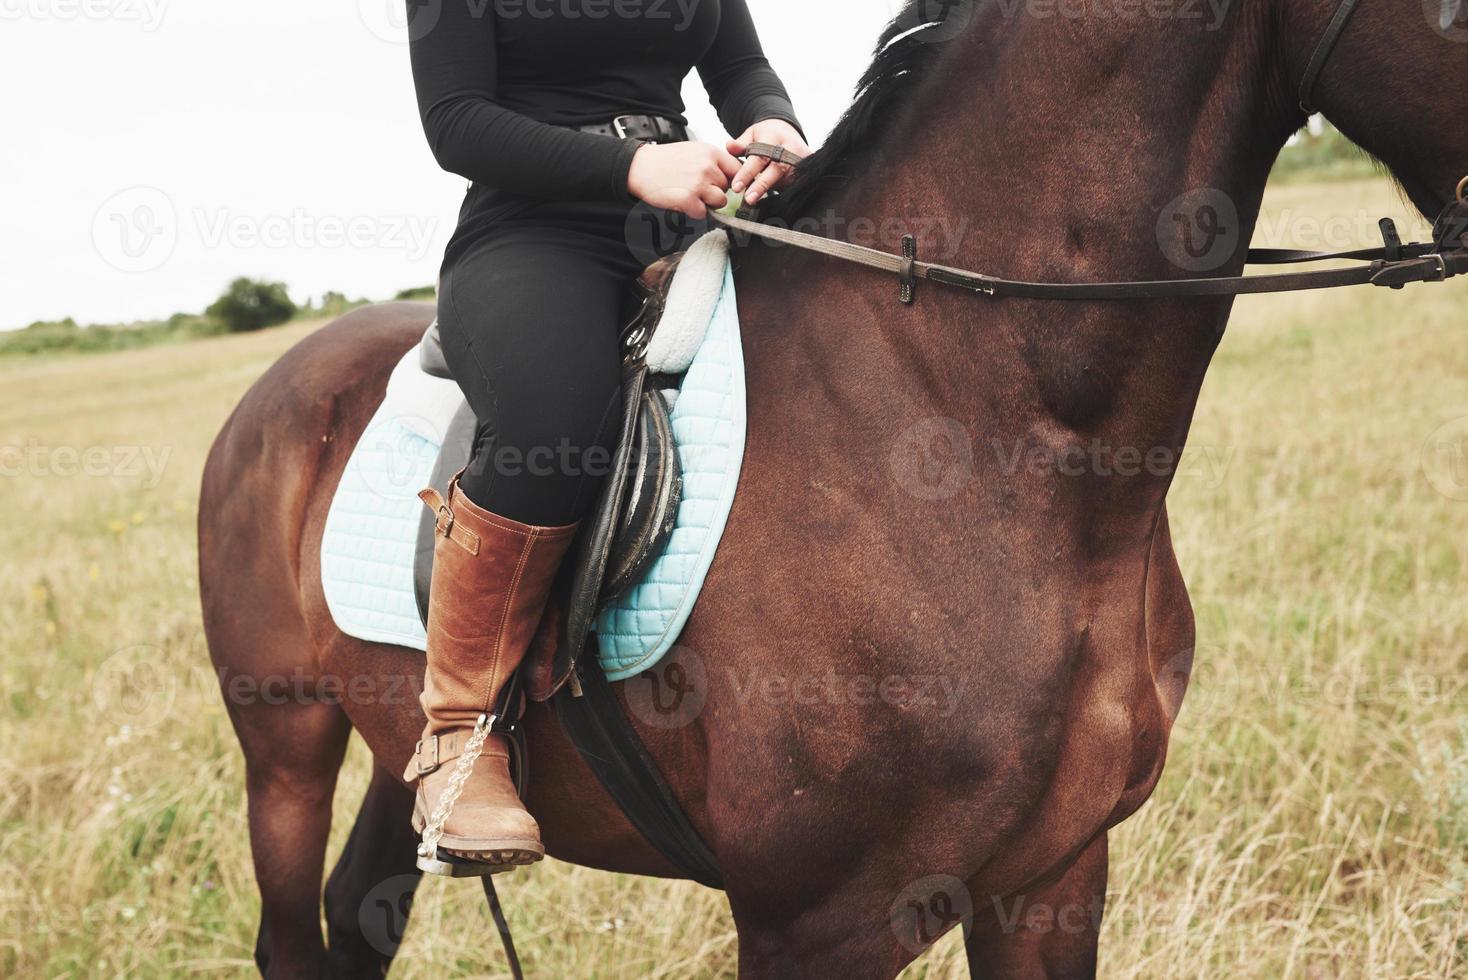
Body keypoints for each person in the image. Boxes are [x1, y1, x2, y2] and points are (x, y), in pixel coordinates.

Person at [403, 0, 807, 872]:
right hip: (535, 229)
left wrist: (773, 124)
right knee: (556, 423)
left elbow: (738, 66)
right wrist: (633, 164)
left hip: (697, 209)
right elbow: (457, 122)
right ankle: (458, 737)